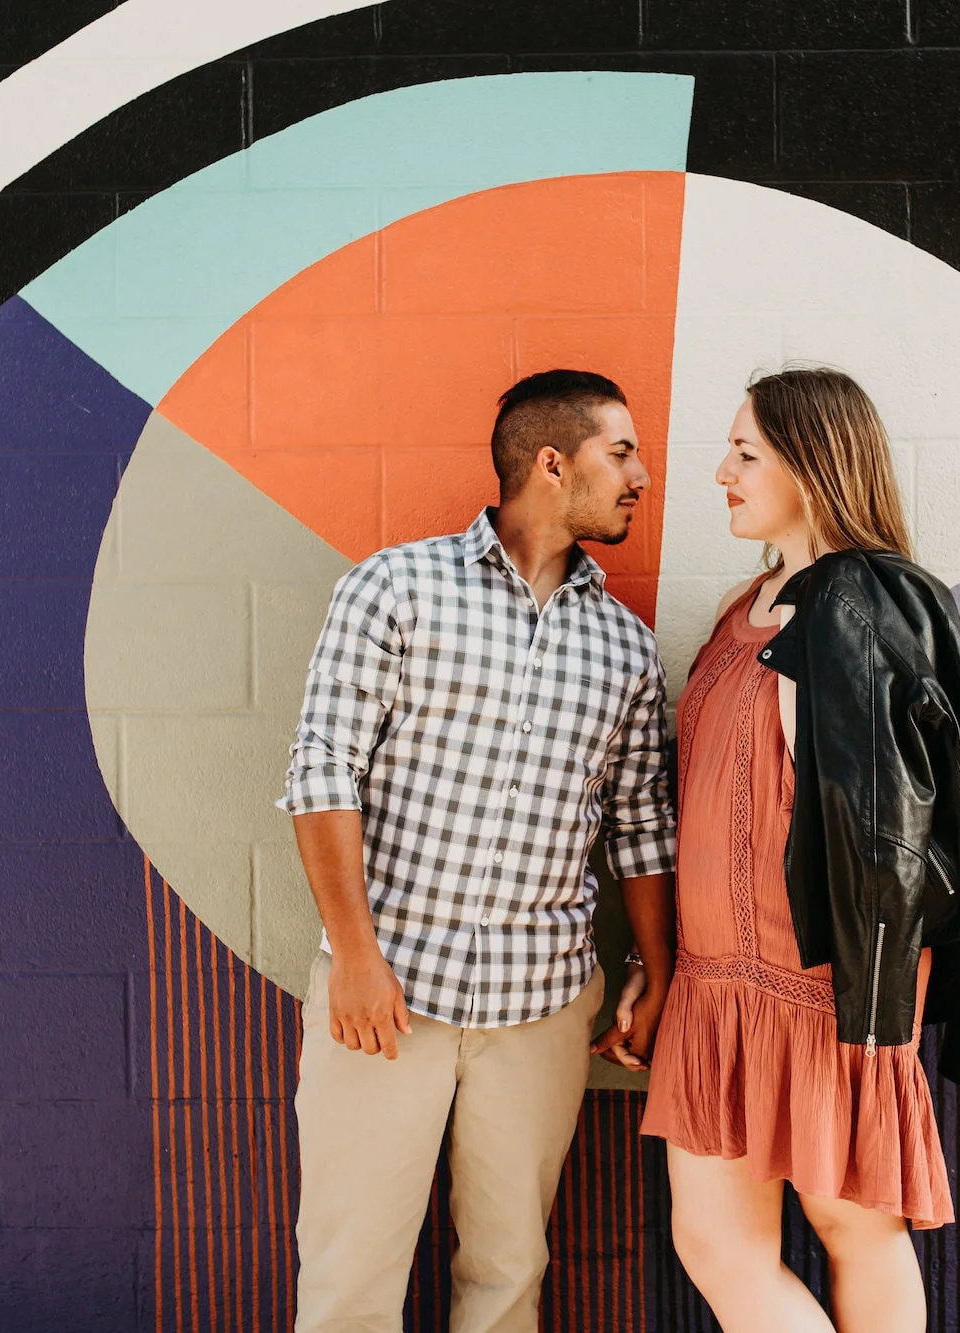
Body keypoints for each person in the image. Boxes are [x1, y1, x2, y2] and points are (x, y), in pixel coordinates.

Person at [630, 366, 960, 1332]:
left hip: (827, 980)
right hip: (716, 982)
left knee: (853, 1227)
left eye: (745, 451)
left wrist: (875, 987)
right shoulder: (746, 607)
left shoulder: (863, 597)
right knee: (716, 1242)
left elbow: (890, 813)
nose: (721, 471)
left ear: (810, 468)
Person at [278, 369, 678, 1333]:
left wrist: (652, 970)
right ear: (552, 462)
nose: (641, 476)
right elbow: (321, 771)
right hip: (387, 997)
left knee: (509, 1274)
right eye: (620, 452)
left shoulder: (624, 648)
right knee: (350, 1271)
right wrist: (357, 957)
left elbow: (643, 828)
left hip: (540, 1008)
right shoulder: (395, 588)